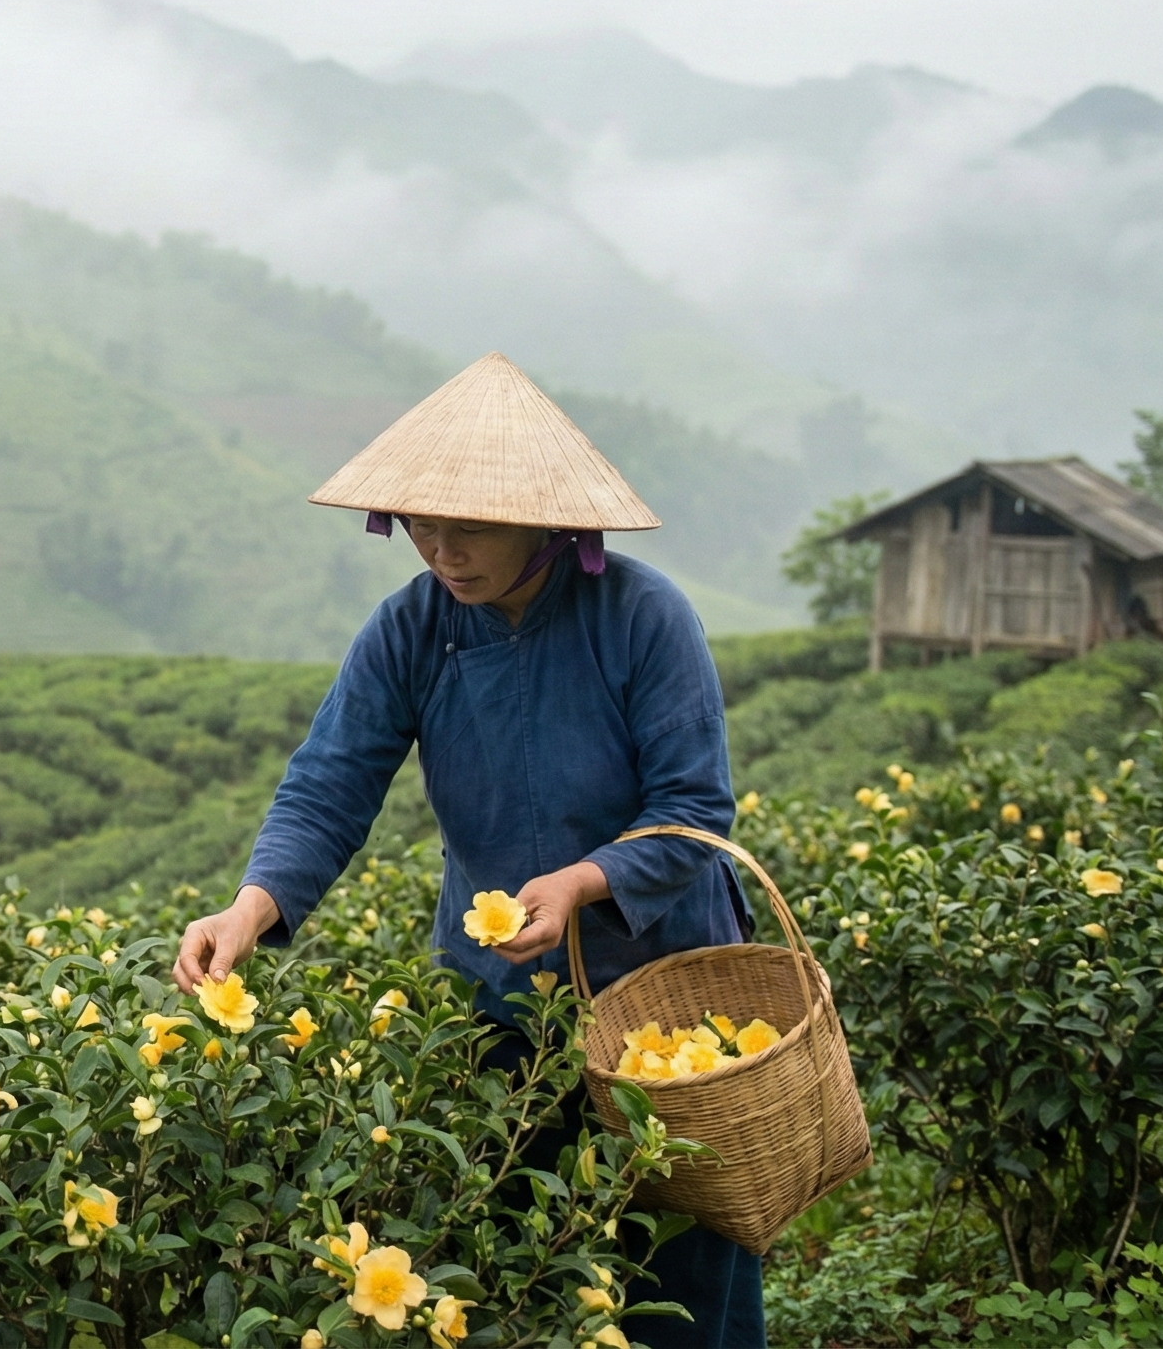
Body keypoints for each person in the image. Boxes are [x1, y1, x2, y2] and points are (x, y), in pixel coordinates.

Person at [171, 352, 766, 1347]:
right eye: (420, 524)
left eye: (469, 525)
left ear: (544, 517)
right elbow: (330, 782)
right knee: (507, 1254)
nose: (440, 550)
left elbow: (694, 809)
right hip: (500, 997)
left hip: (662, 998)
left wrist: (583, 880)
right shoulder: (409, 629)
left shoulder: (640, 616)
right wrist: (251, 905)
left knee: (680, 1257)